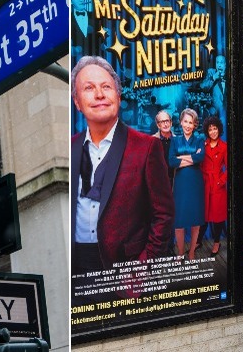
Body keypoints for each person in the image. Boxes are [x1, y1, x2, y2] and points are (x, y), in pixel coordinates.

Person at [71, 56, 174, 296]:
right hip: (77, 270)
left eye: (106, 87)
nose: (99, 94)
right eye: (88, 88)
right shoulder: (70, 147)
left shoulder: (147, 147)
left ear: (118, 95)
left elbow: (164, 213)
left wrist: (143, 266)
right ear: (77, 102)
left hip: (125, 272)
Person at [168, 108, 205, 260]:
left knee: (195, 220)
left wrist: (181, 158)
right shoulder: (175, 140)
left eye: (191, 122)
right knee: (179, 221)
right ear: (181, 122)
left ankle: (191, 253)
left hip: (195, 182)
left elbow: (200, 157)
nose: (188, 125)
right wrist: (191, 157)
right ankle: (181, 252)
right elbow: (171, 161)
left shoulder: (199, 139)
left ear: (195, 124)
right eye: (186, 122)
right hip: (181, 183)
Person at [200, 115, 227, 256]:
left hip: (217, 185)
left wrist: (220, 181)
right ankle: (197, 241)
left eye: (215, 128)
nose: (213, 132)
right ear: (207, 131)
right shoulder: (202, 145)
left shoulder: (224, 147)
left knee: (218, 216)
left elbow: (229, 168)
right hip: (204, 184)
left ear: (219, 129)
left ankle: (216, 242)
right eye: (210, 129)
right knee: (203, 214)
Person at [200, 54, 227, 140]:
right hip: (214, 112)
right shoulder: (211, 73)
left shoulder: (230, 76)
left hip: (227, 114)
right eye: (217, 62)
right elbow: (203, 87)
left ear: (225, 64)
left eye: (221, 63)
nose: (219, 65)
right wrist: (213, 78)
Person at [153, 110, 175, 186]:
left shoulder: (178, 141)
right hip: (158, 183)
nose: (165, 124)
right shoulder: (152, 141)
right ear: (158, 125)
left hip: (175, 183)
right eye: (162, 122)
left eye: (167, 121)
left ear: (171, 123)